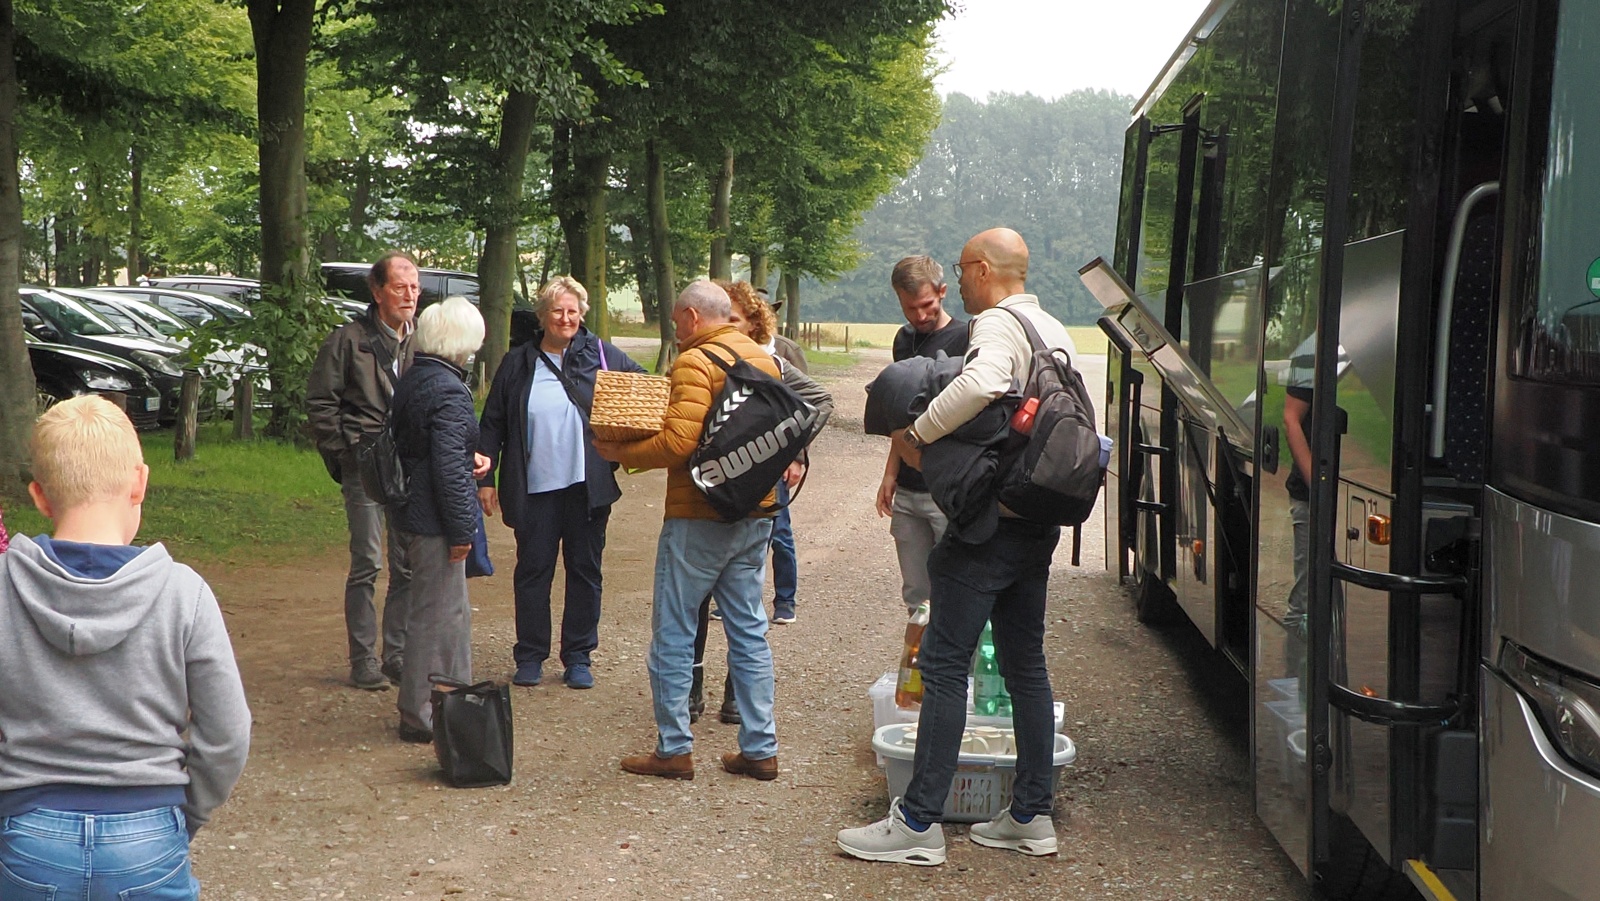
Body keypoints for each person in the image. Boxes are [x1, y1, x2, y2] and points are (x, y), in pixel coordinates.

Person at [838, 228, 1076, 865]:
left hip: (989, 526)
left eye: (963, 269)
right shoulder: (1054, 328)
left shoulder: (995, 324)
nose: (960, 281)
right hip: (1037, 520)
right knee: (1026, 666)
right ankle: (1030, 815)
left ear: (982, 269)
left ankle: (918, 822)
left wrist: (919, 431)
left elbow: (981, 385)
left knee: (944, 665)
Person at [0, 396, 251, 897]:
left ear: (40, 496)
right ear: (140, 483)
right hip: (148, 830)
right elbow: (228, 733)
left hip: (28, 832)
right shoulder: (184, 593)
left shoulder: (4, 587)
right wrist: (184, 813)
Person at [594, 281, 782, 782]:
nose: (674, 329)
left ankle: (674, 748)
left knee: (674, 631)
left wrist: (620, 453)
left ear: (694, 317)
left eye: (677, 319)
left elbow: (679, 442)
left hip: (698, 515)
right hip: (755, 512)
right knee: (749, 631)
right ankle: (760, 748)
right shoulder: (761, 357)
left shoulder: (695, 361)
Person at [477, 276, 647, 690]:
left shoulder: (601, 354)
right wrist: (487, 478)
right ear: (542, 316)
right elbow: (492, 422)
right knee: (533, 571)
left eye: (573, 311)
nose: (566, 318)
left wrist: (625, 443)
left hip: (587, 488)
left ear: (582, 314)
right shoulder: (518, 362)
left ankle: (578, 657)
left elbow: (644, 387)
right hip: (533, 486)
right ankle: (530, 655)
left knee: (585, 571)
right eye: (558, 310)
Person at [690, 281, 833, 725]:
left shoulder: (776, 359)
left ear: (754, 323)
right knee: (697, 598)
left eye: (733, 319)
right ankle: (692, 687)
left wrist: (788, 451)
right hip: (704, 490)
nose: (725, 325)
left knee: (744, 597)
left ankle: (737, 695)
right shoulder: (704, 355)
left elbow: (815, 403)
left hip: (755, 490)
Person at [307, 251, 419, 691]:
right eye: (400, 287)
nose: (409, 295)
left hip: (408, 465)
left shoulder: (423, 340)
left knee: (407, 565)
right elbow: (321, 403)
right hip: (364, 464)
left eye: (414, 287)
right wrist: (345, 455)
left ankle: (397, 654)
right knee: (367, 563)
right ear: (377, 292)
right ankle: (362, 660)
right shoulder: (347, 340)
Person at [388, 297, 486, 742]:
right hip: (433, 518)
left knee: (444, 612)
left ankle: (442, 701)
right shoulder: (448, 389)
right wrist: (463, 530)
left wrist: (468, 456)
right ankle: (423, 712)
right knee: (438, 615)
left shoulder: (416, 378)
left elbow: (431, 450)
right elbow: (447, 468)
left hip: (411, 508)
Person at [878, 256, 969, 616]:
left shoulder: (966, 338)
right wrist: (890, 472)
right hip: (908, 490)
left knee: (955, 590)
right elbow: (899, 413)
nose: (919, 315)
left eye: (927, 305)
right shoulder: (904, 340)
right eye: (909, 308)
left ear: (943, 292)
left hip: (945, 489)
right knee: (916, 594)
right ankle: (920, 652)